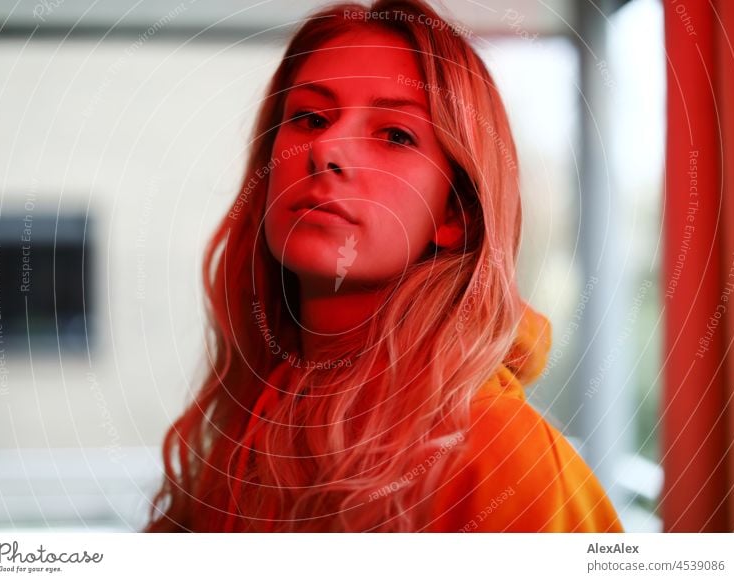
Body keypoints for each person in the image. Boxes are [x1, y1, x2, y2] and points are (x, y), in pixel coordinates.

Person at [144, 0, 624, 533]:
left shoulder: (501, 452)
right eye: (309, 117)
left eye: (395, 134)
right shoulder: (248, 425)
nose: (326, 147)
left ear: (455, 213)